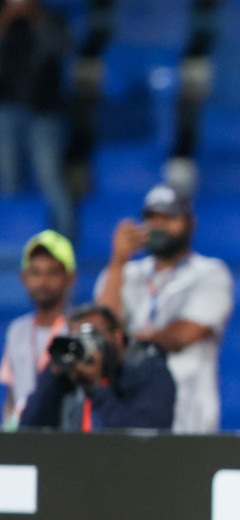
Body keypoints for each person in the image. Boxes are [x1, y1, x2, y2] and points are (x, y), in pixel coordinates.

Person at [95, 184, 233, 434]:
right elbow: (102, 328)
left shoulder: (210, 273)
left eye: (169, 218)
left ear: (190, 222)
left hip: (189, 417)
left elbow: (180, 336)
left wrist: (124, 338)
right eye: (152, 218)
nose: (159, 226)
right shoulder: (124, 273)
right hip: (127, 411)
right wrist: (117, 261)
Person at [18, 302, 175, 431]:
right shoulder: (69, 374)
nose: (85, 345)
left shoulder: (148, 371)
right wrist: (52, 375)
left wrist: (97, 386)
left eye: (92, 336)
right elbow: (28, 430)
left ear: (117, 336)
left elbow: (144, 437)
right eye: (77, 337)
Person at [0, 0, 73, 238]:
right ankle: (12, 242)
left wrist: (35, 18)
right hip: (7, 109)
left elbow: (61, 48)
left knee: (49, 177)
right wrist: (6, 19)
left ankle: (65, 240)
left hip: (44, 112)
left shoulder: (52, 18)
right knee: (7, 180)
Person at [1, 229, 72, 428]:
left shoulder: (75, 330)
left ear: (69, 277)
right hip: (23, 435)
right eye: (35, 272)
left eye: (52, 272)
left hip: (64, 437)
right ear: (24, 277)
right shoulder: (17, 330)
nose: (43, 282)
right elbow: (13, 395)